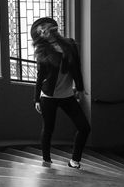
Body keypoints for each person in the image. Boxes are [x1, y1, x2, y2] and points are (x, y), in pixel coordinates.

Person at [30, 17, 91, 169]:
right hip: (48, 97)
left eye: (44, 27)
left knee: (84, 127)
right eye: (40, 31)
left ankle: (74, 161)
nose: (44, 31)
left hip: (67, 95)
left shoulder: (69, 44)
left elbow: (77, 67)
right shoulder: (43, 51)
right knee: (48, 129)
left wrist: (80, 88)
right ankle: (46, 161)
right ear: (40, 36)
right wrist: (36, 99)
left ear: (52, 27)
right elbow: (40, 77)